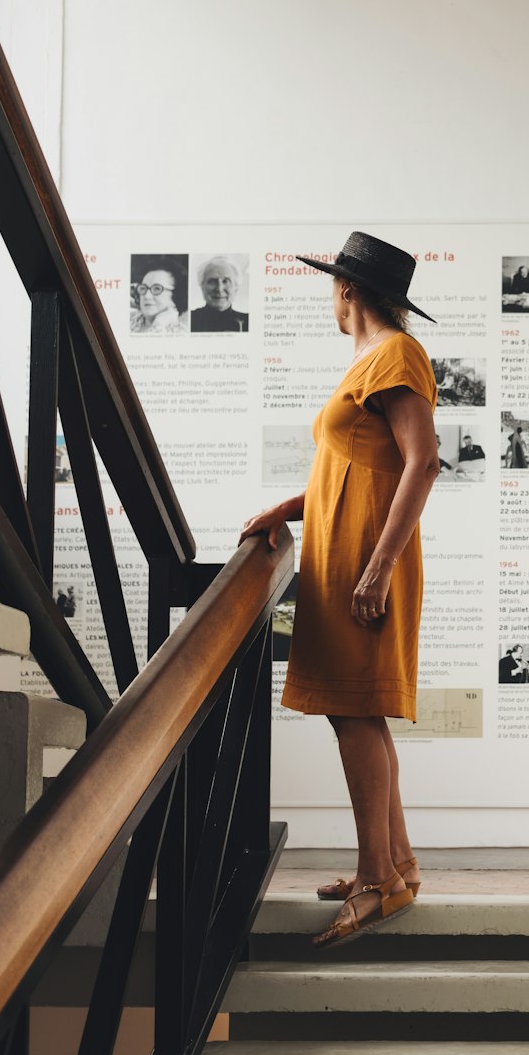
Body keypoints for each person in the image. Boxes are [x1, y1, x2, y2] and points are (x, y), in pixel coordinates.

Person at [239, 231, 439, 949]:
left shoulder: (396, 354)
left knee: (355, 713)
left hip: (363, 561)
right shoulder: (372, 359)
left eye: (333, 287)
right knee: (358, 713)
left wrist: (380, 564)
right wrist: (285, 509)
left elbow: (423, 462)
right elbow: (348, 467)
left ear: (347, 291)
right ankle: (398, 865)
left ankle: (374, 880)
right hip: (344, 556)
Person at [191, 256, 249, 332]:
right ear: (202, 287)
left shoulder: (248, 322)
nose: (219, 289)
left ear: (236, 288)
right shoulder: (191, 319)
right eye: (212, 281)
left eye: (226, 281)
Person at [129, 260, 189, 333]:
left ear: (177, 294)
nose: (147, 296)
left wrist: (159, 325)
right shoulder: (129, 318)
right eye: (143, 288)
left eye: (157, 289)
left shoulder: (182, 331)